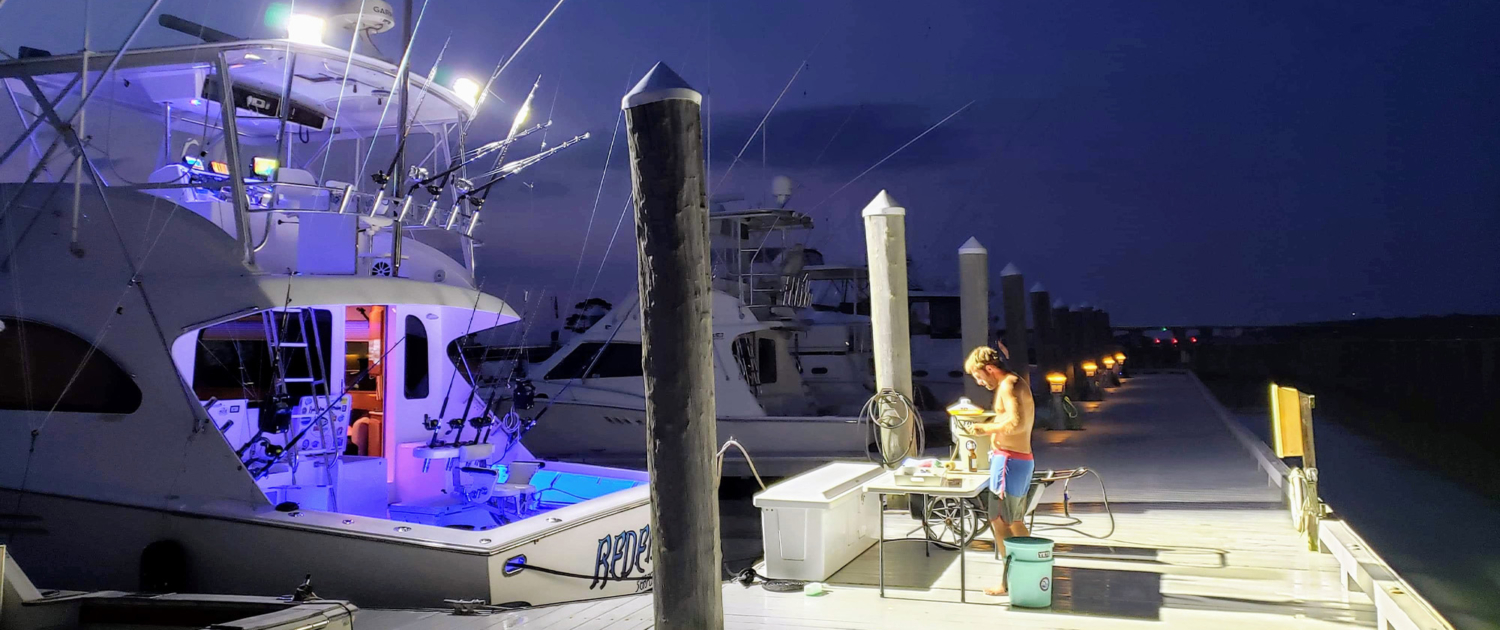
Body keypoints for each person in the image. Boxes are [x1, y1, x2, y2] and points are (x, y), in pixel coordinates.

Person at [962, 346, 1036, 596]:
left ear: (990, 369)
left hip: (1010, 462)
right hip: (1012, 460)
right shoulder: (1013, 382)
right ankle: (1015, 578)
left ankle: (1020, 578)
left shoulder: (1009, 385)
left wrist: (985, 430)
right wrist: (992, 424)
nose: (979, 382)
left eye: (978, 376)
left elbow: (1016, 423)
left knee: (1007, 521)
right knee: (1004, 520)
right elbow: (1011, 420)